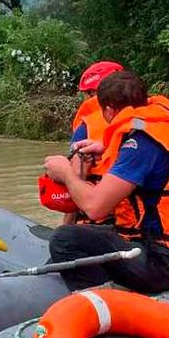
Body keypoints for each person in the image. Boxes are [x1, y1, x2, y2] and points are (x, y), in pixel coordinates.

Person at [43, 70, 169, 293]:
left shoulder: (140, 147)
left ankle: (104, 303)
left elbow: (95, 208)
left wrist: (65, 172)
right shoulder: (162, 125)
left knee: (64, 240)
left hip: (168, 263)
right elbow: (153, 161)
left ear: (108, 110)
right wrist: (105, 148)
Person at [63, 61, 124, 225]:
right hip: (135, 218)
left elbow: (75, 177)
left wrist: (64, 227)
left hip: (99, 217)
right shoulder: (138, 118)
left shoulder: (86, 126)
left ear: (91, 93)